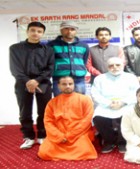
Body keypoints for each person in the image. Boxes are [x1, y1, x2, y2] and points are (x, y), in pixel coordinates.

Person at [9, 21, 54, 149]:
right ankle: (28, 137)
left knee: (44, 111)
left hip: (43, 83)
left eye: (39, 31)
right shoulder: (15, 48)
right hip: (23, 83)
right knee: (25, 111)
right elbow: (15, 69)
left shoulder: (48, 50)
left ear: (43, 34)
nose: (36, 33)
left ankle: (42, 136)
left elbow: (50, 68)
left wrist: (37, 80)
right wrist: (28, 81)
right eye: (33, 30)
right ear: (27, 31)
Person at [38, 76, 97, 160]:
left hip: (79, 133)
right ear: (58, 86)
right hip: (59, 133)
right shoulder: (52, 102)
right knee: (44, 152)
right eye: (64, 84)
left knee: (84, 151)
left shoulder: (85, 100)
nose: (68, 86)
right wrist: (59, 136)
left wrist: (70, 135)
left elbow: (86, 120)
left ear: (74, 85)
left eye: (70, 84)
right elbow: (48, 122)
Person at [91, 57, 140, 154]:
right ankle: (109, 141)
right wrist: (108, 103)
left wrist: (123, 102)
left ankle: (122, 142)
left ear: (123, 65)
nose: (115, 67)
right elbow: (95, 94)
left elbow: (136, 93)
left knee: (127, 116)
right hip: (106, 105)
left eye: (118, 65)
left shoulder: (131, 77)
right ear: (107, 67)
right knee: (98, 118)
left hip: (126, 104)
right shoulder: (100, 78)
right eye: (111, 65)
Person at [48, 21, 89, 96]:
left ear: (76, 31)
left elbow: (84, 60)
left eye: (72, 29)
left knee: (79, 101)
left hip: (79, 79)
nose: (69, 31)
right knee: (60, 101)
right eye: (66, 28)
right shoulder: (52, 45)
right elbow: (49, 61)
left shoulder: (83, 45)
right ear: (61, 30)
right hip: (59, 78)